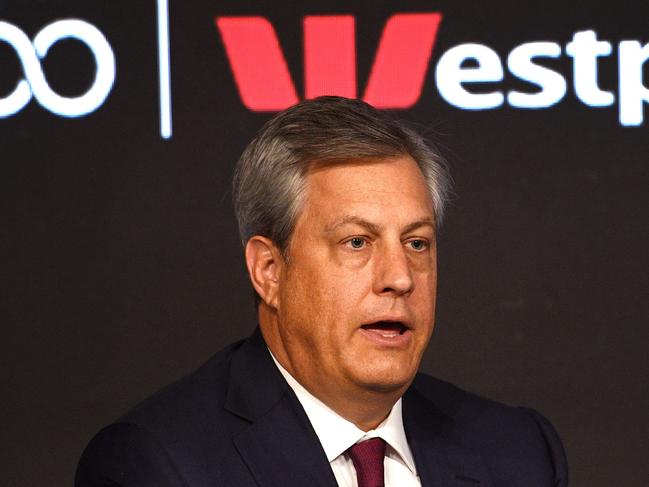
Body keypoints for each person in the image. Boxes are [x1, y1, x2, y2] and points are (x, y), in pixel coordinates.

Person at [76, 96, 568, 487]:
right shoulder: (158, 465)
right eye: (357, 242)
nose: (399, 277)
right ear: (269, 269)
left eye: (416, 243)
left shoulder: (519, 452)